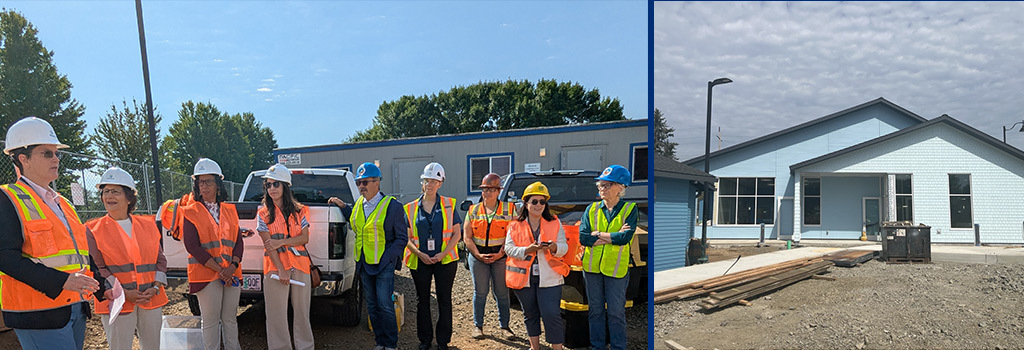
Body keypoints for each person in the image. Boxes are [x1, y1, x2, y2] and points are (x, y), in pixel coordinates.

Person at [0, 116, 106, 349]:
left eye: (57, 153)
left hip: (74, 308)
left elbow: (79, 255)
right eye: (47, 153)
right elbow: (6, 258)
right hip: (39, 313)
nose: (56, 158)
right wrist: (62, 281)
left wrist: (102, 285)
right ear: (23, 159)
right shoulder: (7, 198)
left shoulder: (63, 204)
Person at [86, 167, 168, 350]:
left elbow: (160, 261)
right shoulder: (93, 229)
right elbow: (98, 268)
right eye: (105, 192)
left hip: (150, 297)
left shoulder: (147, 224)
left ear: (129, 197)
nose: (109, 196)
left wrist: (156, 287)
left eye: (115, 191)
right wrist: (124, 294)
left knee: (153, 346)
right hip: (116, 301)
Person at [329, 162, 408, 350]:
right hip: (364, 264)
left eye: (365, 182)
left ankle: (391, 344)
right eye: (359, 183)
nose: (361, 186)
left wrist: (389, 258)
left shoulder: (392, 206)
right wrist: (341, 205)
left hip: (383, 265)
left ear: (377, 182)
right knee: (372, 306)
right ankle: (380, 342)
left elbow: (402, 238)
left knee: (385, 305)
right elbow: (354, 219)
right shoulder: (358, 206)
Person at [181, 158, 245, 350]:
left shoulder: (230, 210)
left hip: (231, 273)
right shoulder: (190, 212)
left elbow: (238, 241)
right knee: (210, 322)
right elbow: (192, 246)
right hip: (207, 275)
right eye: (200, 181)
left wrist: (231, 267)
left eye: (209, 181)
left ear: (218, 184)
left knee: (230, 320)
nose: (204, 186)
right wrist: (220, 270)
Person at [403, 163, 461, 350]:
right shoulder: (410, 208)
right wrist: (420, 254)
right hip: (421, 261)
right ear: (422, 182)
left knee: (444, 300)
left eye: (434, 181)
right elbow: (407, 237)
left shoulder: (449, 205)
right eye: (427, 180)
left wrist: (442, 254)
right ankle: (425, 340)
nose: (430, 184)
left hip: (445, 260)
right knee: (423, 301)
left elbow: (457, 234)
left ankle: (443, 341)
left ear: (440, 183)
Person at [504, 181, 569, 350]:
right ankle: (535, 347)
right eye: (534, 201)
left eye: (542, 202)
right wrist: (527, 250)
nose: (538, 205)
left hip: (550, 277)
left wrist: (554, 247)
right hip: (524, 278)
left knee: (551, 314)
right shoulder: (515, 225)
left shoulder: (554, 222)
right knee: (530, 314)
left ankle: (557, 348)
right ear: (526, 203)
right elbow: (509, 249)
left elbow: (564, 247)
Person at [580, 165, 638, 350]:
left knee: (616, 313)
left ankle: (618, 347)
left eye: (607, 185)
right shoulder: (591, 209)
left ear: (621, 187)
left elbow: (625, 238)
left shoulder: (630, 209)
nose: (602, 188)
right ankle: (597, 346)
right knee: (595, 311)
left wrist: (597, 234)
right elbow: (583, 237)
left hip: (616, 269)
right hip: (592, 269)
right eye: (600, 185)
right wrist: (611, 236)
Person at [256, 164, 314, 350]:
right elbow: (268, 244)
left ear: (285, 186)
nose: (271, 189)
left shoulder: (301, 211)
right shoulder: (262, 214)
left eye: (276, 184)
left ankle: (305, 347)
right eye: (268, 185)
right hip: (275, 269)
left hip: (300, 267)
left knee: (302, 313)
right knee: (275, 315)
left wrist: (281, 242)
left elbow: (304, 238)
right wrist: (281, 270)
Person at [463, 173, 516, 340]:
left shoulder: (509, 209)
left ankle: (505, 327)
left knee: (501, 292)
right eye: (486, 189)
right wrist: (477, 254)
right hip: (478, 256)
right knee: (480, 292)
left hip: (500, 256)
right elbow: (467, 236)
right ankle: (478, 326)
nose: (488, 193)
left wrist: (500, 253)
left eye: (493, 189)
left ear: (499, 191)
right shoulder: (473, 210)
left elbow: (514, 235)